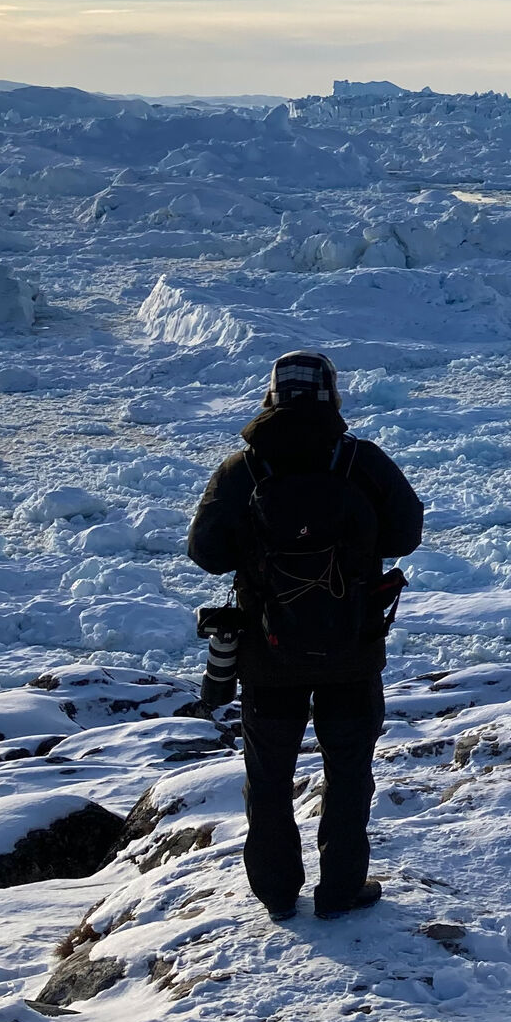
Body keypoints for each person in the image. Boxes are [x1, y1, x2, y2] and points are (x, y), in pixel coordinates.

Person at [187, 350, 424, 921]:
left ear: (271, 396)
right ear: (332, 396)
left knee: (269, 777)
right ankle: (340, 890)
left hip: (267, 654)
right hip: (352, 648)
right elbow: (407, 532)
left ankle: (275, 891)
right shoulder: (360, 461)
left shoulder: (244, 469)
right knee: (348, 774)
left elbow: (206, 553)